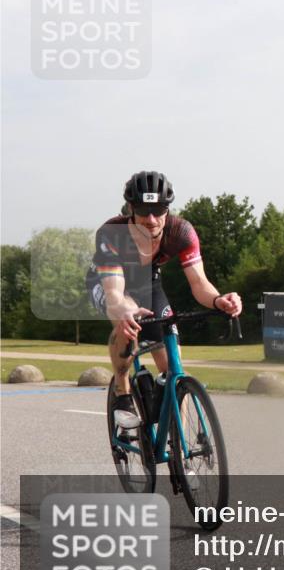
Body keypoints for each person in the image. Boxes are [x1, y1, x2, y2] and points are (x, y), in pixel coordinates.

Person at [86, 171, 242, 429]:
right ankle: (122, 394)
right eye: (144, 210)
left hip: (149, 282)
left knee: (173, 366)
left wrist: (218, 300)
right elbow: (115, 293)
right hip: (109, 281)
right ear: (130, 209)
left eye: (158, 210)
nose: (151, 219)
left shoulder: (181, 232)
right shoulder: (112, 233)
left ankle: (177, 447)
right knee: (127, 320)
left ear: (167, 210)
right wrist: (126, 310)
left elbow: (199, 283)